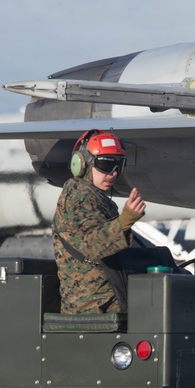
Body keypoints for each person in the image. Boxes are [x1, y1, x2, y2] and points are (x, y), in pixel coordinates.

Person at [52, 129, 146, 314]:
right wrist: (125, 220)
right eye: (105, 164)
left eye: (119, 165)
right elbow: (92, 247)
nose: (113, 173)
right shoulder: (81, 197)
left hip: (103, 299)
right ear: (82, 164)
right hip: (94, 305)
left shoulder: (90, 195)